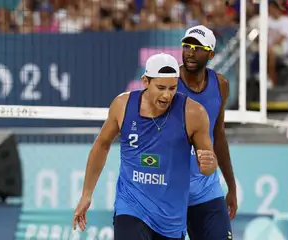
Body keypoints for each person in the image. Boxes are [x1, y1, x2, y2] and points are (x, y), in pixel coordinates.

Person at [73, 53, 218, 240]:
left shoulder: (193, 113)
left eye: (172, 88)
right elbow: (101, 145)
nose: (167, 95)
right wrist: (86, 194)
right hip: (131, 206)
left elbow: (209, 165)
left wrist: (209, 165)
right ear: (145, 81)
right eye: (161, 87)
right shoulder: (122, 105)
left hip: (170, 218)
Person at [177, 25, 238, 239]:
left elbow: (219, 135)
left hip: (206, 191)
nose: (190, 52)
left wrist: (231, 186)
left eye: (198, 47)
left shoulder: (220, 84)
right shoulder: (168, 83)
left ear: (211, 54)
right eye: (187, 46)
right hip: (169, 192)